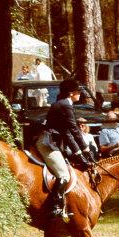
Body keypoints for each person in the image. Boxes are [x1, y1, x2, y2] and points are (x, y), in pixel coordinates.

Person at [36, 79, 96, 217]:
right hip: (48, 143)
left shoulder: (64, 104)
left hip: (55, 142)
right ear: (71, 93)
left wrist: (81, 152)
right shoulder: (65, 106)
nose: (80, 93)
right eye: (78, 91)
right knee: (63, 174)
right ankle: (55, 206)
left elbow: (67, 133)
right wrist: (85, 150)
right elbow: (74, 130)